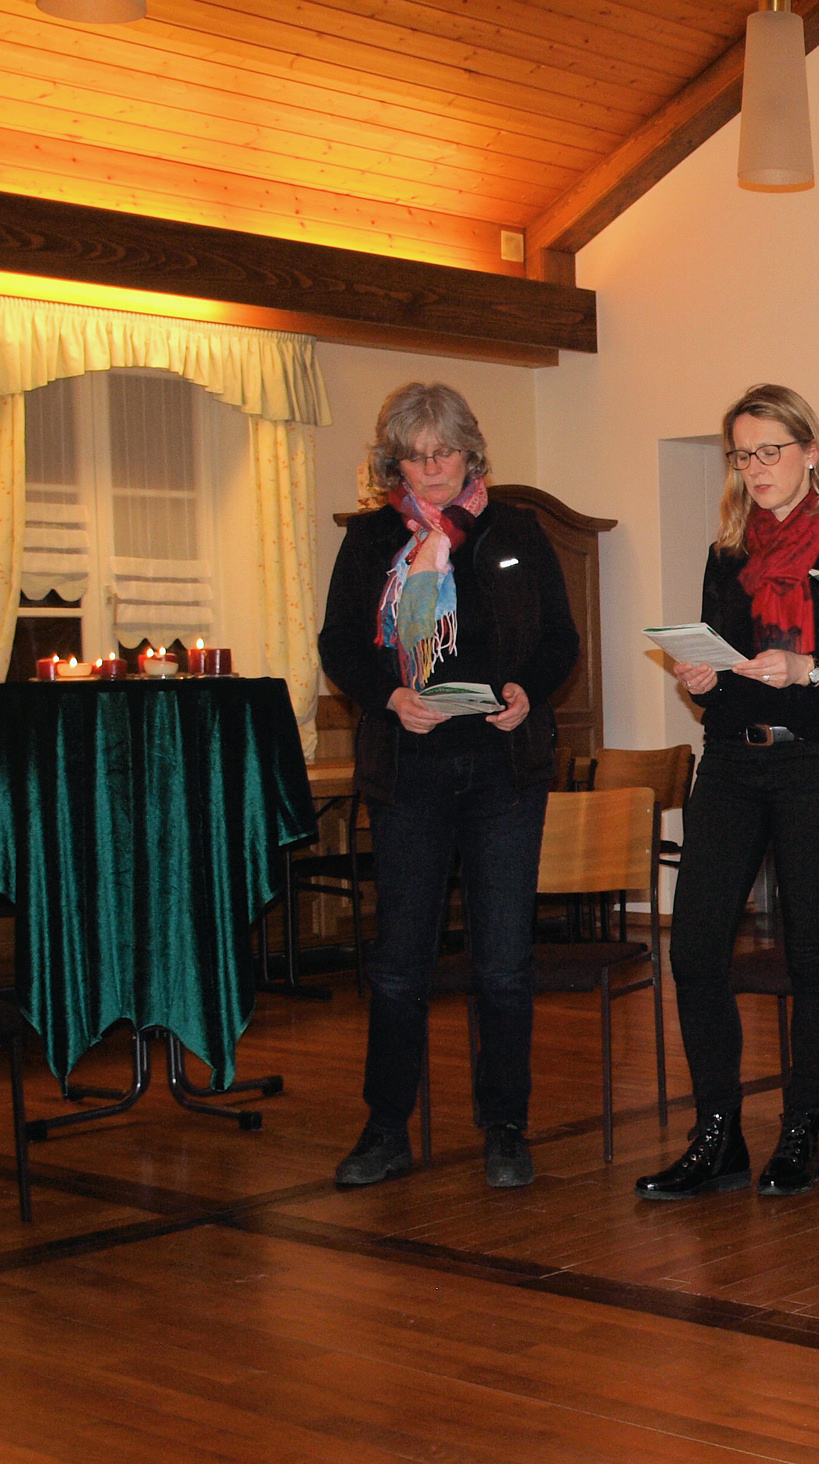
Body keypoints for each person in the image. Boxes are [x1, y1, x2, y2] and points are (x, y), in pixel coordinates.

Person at [319, 382, 580, 1190]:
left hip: (503, 769)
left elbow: (559, 640)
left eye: (444, 452)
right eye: (415, 456)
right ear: (392, 462)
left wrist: (527, 691)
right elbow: (339, 645)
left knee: (502, 961)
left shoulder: (517, 532)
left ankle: (504, 1128)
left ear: (470, 452)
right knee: (400, 962)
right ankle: (385, 1129)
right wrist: (389, 697)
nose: (431, 469)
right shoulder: (370, 540)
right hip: (410, 770)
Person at [633, 385, 819, 1202]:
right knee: (693, 947)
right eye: (742, 455)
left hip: (817, 762)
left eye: (769, 451)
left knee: (812, 950)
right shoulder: (727, 551)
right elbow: (720, 661)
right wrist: (702, 679)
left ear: (811, 451)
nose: (755, 468)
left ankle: (801, 1134)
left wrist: (807, 669)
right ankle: (717, 1135)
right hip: (731, 762)